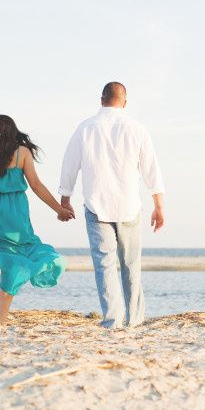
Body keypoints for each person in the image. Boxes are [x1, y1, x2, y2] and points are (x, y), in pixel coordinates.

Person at [59, 82, 165, 329]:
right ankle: (135, 319)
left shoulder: (85, 128)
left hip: (97, 205)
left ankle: (112, 320)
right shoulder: (137, 129)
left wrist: (65, 200)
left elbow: (69, 165)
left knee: (104, 263)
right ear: (124, 103)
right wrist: (159, 205)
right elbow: (152, 170)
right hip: (129, 205)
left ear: (101, 100)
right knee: (131, 264)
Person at [0, 114, 75, 324]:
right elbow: (36, 186)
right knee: (10, 257)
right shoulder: (22, 153)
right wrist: (58, 209)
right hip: (16, 215)